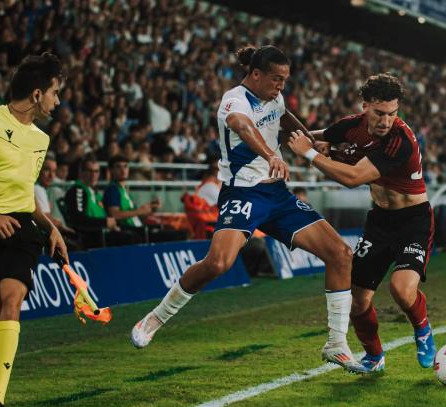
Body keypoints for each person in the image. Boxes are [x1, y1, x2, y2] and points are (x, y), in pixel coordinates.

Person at [131, 45, 360, 371]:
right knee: (218, 263)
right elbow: (243, 126)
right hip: (243, 195)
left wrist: (311, 139)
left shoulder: (275, 97)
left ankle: (336, 343)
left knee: (340, 254)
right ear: (255, 74)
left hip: (278, 196)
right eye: (276, 79)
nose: (281, 86)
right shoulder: (233, 100)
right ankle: (155, 319)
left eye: (285, 79)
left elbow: (284, 118)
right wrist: (271, 155)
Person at [288, 73, 437, 374]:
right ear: (365, 106)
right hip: (380, 221)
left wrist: (309, 153)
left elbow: (352, 178)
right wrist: (298, 137)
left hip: (413, 221)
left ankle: (423, 330)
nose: (386, 121)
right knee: (358, 300)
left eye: (392, 114)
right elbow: (316, 136)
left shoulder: (400, 140)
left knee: (402, 289)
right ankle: (374, 356)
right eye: (380, 113)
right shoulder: (351, 126)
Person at [0, 53, 69, 407]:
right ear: (37, 94)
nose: (58, 101)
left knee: (12, 301)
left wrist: (50, 227)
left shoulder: (41, 139)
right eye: (55, 93)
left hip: (20, 229)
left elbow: (25, 193)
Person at [63, 155, 137, 248]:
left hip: (102, 232)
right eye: (90, 171)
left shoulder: (95, 193)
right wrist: (104, 223)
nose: (93, 175)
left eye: (96, 171)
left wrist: (112, 225)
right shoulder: (78, 190)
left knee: (133, 235)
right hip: (91, 236)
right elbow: (77, 220)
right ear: (81, 172)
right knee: (131, 238)